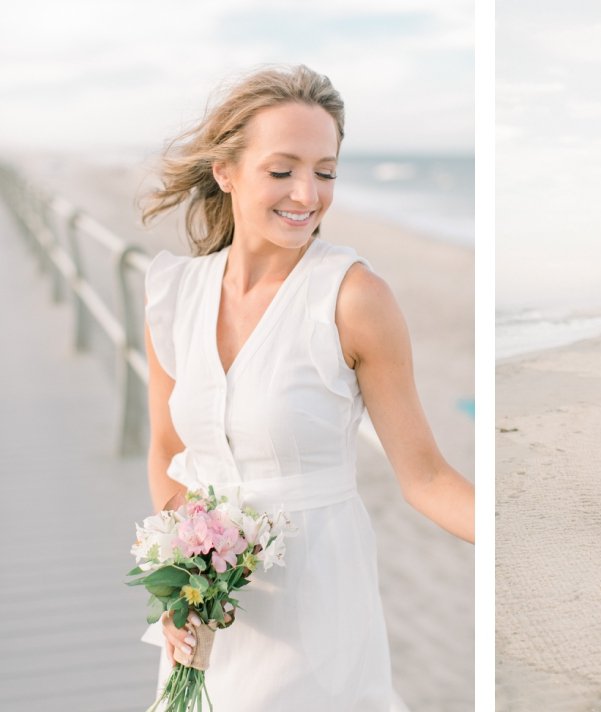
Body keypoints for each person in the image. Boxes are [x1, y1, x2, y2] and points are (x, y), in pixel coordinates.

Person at [138, 65, 474, 711]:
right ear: (226, 172)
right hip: (211, 617)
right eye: (282, 169)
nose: (307, 194)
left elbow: (426, 477)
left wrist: (512, 533)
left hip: (316, 607)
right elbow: (165, 449)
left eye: (325, 171)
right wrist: (177, 585)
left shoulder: (354, 298)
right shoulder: (172, 294)